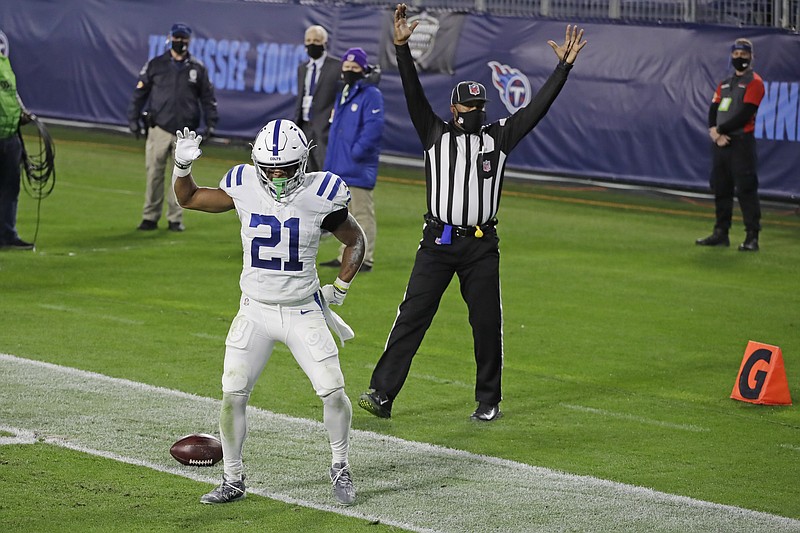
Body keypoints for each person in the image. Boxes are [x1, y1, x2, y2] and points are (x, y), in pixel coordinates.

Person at [358, 4, 587, 422]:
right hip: (437, 241)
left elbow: (536, 110)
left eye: (479, 106)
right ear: (454, 109)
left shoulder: (499, 137)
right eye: (468, 107)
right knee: (411, 317)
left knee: (486, 324)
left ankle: (488, 399)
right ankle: (382, 393)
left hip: (481, 244)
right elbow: (413, 93)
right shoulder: (433, 132)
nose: (475, 112)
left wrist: (562, 70)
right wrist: (402, 50)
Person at [171, 120, 366, 506]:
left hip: (302, 311)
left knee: (332, 389)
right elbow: (189, 199)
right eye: (271, 168)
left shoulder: (322, 193)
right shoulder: (243, 185)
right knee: (232, 394)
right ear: (256, 163)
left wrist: (340, 287)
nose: (277, 177)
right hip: (254, 311)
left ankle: (340, 466)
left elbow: (354, 239)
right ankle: (233, 479)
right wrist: (182, 167)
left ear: (304, 161)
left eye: (286, 168)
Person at [127, 22, 218, 232]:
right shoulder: (156, 65)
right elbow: (140, 92)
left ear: (189, 40)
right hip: (159, 128)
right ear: (170, 38)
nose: (180, 42)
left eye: (183, 38)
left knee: (181, 177)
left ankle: (175, 218)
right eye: (177, 38)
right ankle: (150, 216)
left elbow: (207, 98)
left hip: (185, 133)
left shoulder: (197, 68)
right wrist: (133, 118)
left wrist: (211, 122)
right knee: (154, 174)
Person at [696, 38, 765, 252]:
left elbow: (746, 113)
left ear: (751, 57)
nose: (739, 58)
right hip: (721, 143)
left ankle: (752, 236)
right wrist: (714, 132)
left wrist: (721, 131)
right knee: (721, 187)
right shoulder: (725, 83)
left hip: (741, 142)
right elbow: (713, 109)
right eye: (736, 55)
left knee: (746, 189)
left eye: (743, 55)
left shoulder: (755, 82)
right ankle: (721, 232)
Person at [321, 47, 384, 272]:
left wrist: (356, 153)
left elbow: (373, 129)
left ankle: (365, 258)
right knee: (344, 213)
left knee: (361, 213)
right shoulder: (346, 91)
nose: (349, 70)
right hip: (341, 164)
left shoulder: (371, 94)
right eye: (346, 67)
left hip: (357, 165)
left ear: (363, 68)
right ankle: (344, 255)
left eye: (354, 67)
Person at [0, 31, 34, 250]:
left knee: (10, 188)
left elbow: (12, 94)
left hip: (10, 135)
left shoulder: (5, 63)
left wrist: (23, 113)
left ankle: (7, 235)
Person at [294, 25, 340, 172]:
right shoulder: (303, 68)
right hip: (304, 126)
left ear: (324, 42)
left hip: (325, 127)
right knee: (304, 171)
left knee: (324, 171)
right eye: (308, 40)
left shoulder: (337, 66)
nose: (311, 43)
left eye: (316, 40)